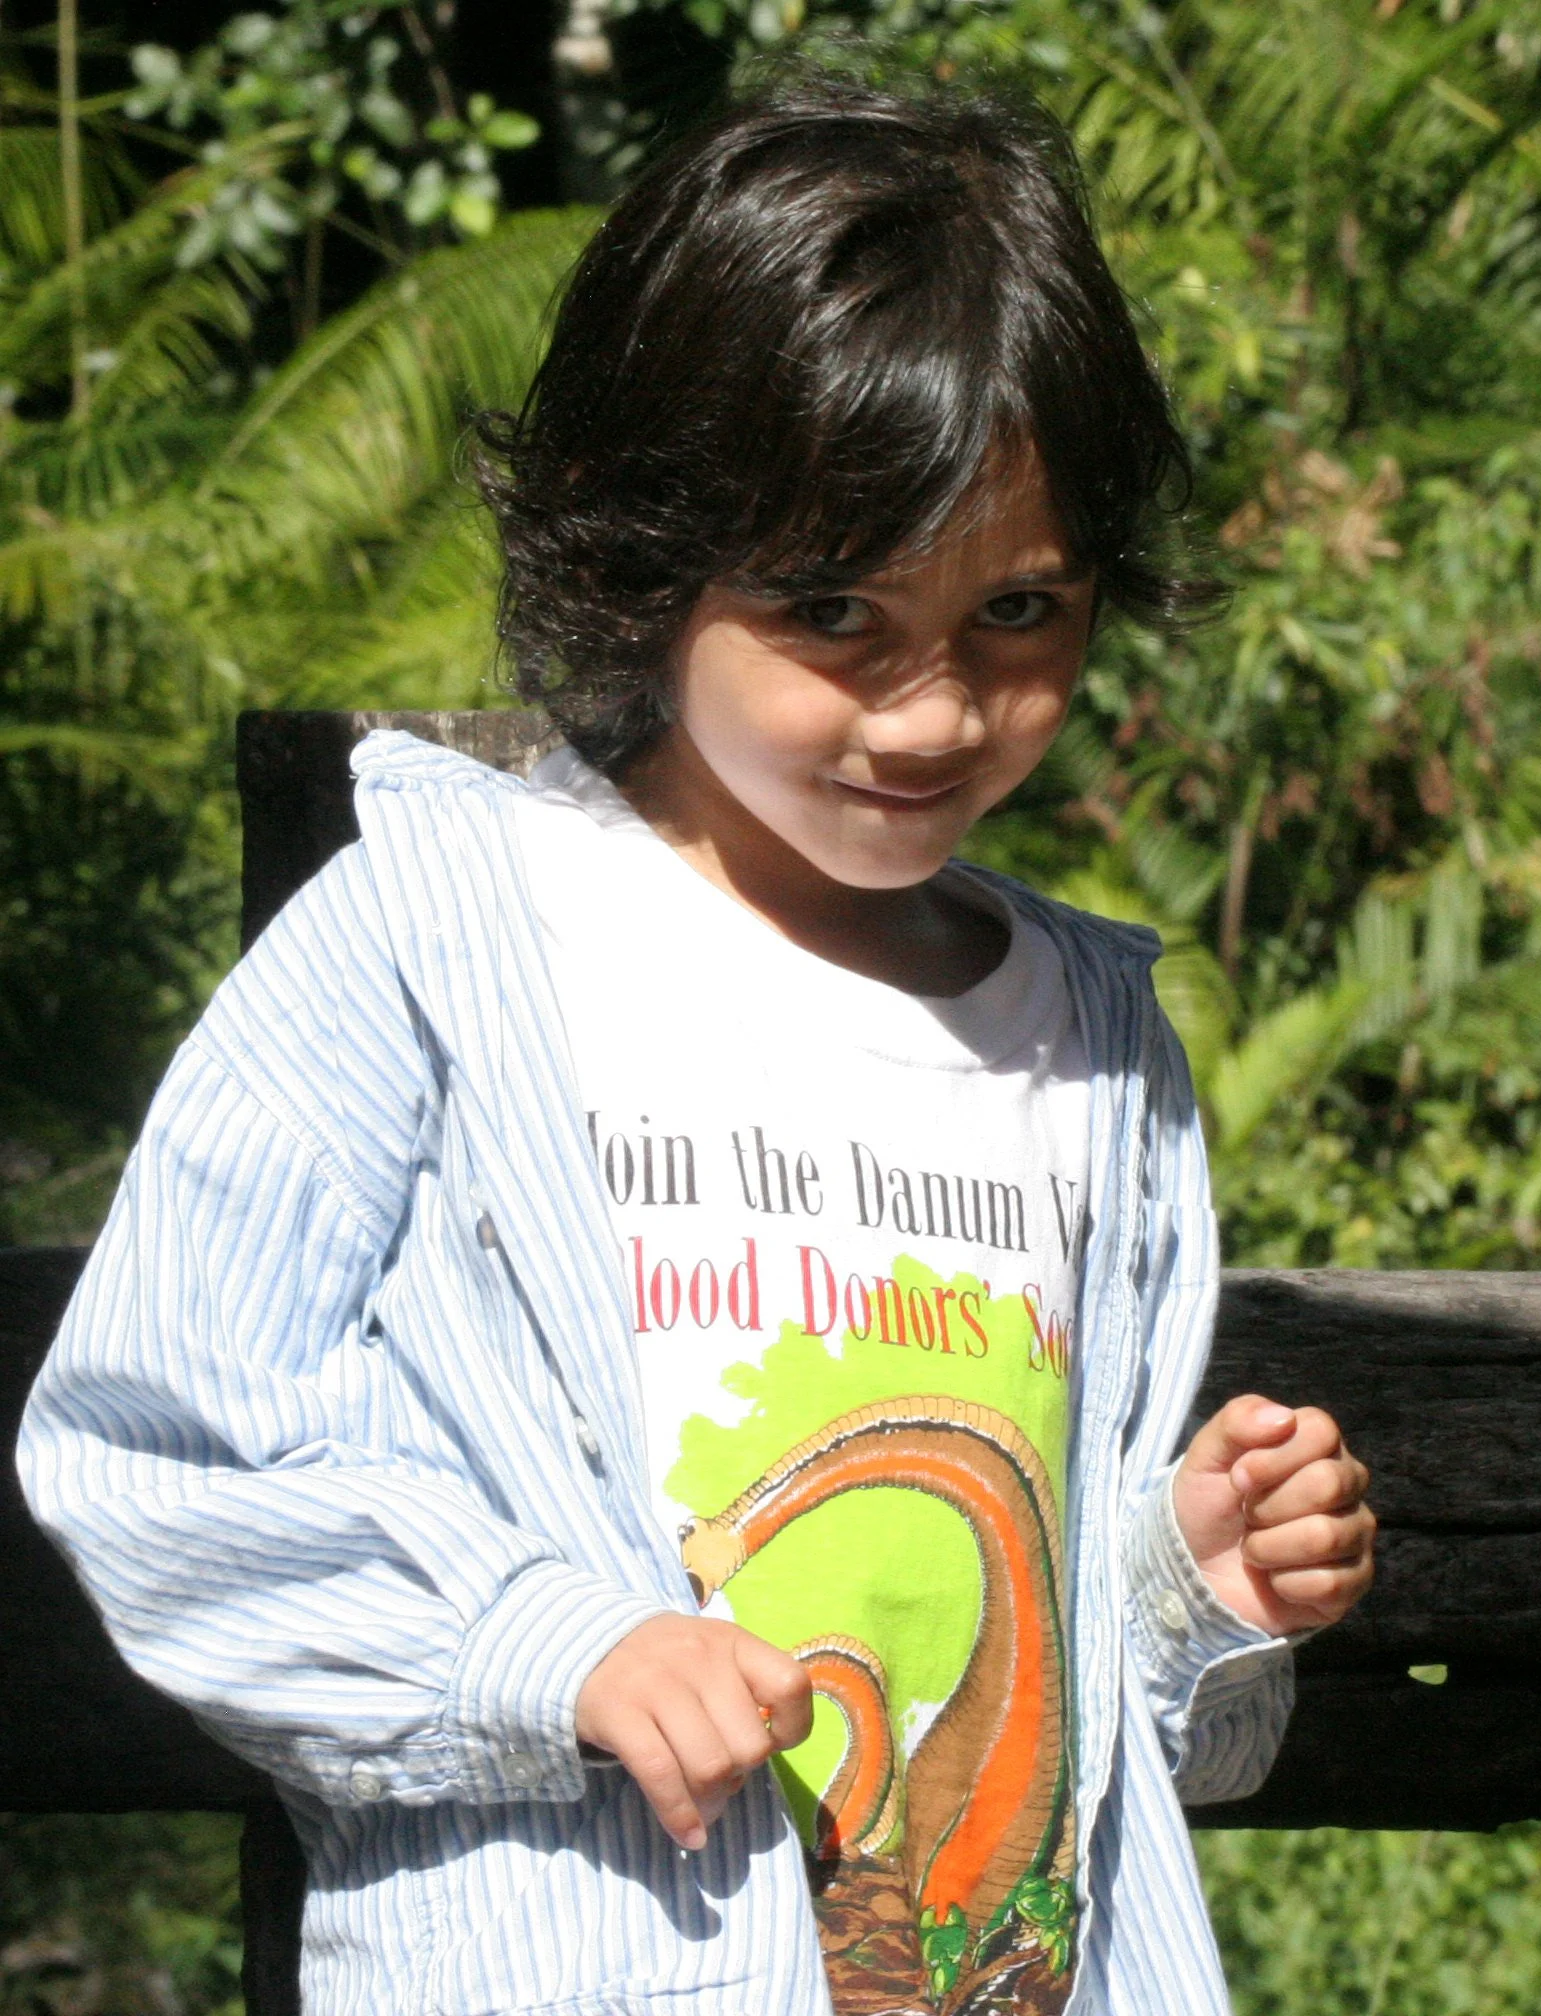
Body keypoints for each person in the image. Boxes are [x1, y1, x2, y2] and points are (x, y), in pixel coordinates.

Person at [16, 67, 1377, 2016]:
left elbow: (1099, 1738)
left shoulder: (1090, 1049)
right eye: (833, 609)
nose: (932, 710)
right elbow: (157, 1443)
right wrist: (545, 1644)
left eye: (1016, 609)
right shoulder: (434, 942)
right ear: (643, 558)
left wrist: (1193, 1584)